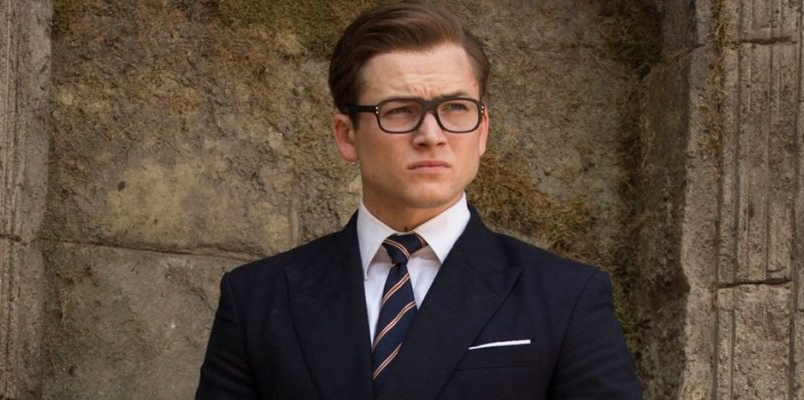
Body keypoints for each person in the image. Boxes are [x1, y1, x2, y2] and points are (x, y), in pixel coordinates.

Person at [195, 2, 642, 399]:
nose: (432, 135)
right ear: (346, 135)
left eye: (456, 108)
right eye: (399, 111)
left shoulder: (566, 297)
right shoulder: (257, 298)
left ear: (483, 130)